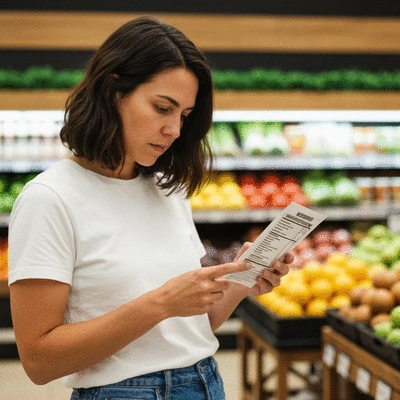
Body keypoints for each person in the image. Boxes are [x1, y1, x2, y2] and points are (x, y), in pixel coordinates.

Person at [8, 16, 292, 400]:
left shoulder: (166, 189)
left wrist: (239, 283)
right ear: (113, 91)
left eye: (184, 116)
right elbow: (39, 361)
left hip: (206, 383)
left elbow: (193, 328)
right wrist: (160, 303)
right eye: (162, 108)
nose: (175, 130)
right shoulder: (49, 199)